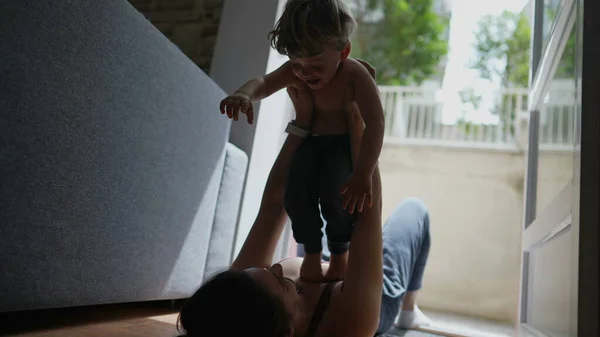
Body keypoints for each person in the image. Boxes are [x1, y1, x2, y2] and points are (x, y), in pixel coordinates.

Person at [180, 61, 432, 337]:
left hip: (321, 266)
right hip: (370, 296)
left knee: (320, 213)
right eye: (279, 279)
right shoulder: (350, 324)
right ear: (289, 326)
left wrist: (302, 122)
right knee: (414, 210)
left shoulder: (236, 297)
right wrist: (357, 120)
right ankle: (407, 310)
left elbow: (275, 205)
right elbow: (367, 214)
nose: (274, 265)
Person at [218, 0, 386, 282]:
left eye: (316, 64)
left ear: (343, 51)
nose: (305, 73)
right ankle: (310, 252)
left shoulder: (354, 74)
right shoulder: (297, 70)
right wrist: (244, 94)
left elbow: (376, 123)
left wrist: (363, 173)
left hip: (341, 146)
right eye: (297, 65)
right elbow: (264, 82)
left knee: (338, 193)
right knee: (296, 193)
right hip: (312, 142)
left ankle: (339, 255)